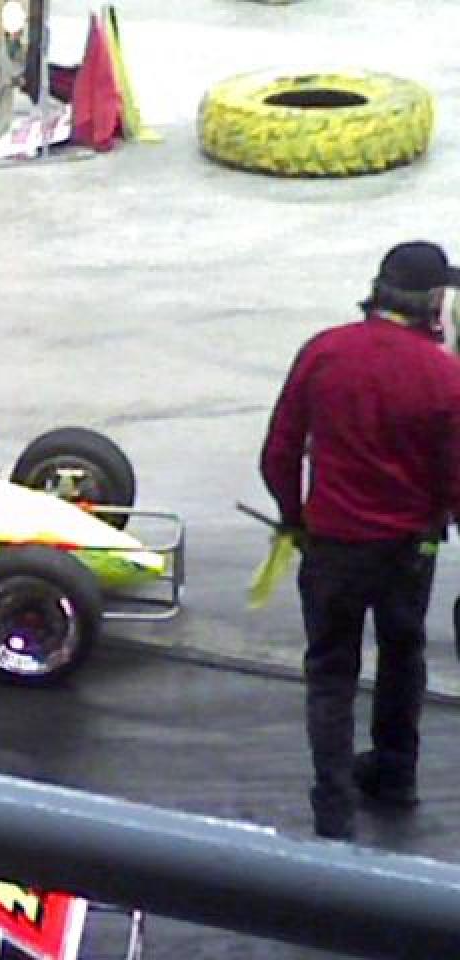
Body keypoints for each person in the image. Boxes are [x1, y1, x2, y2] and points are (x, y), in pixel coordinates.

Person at [259, 240, 460, 841]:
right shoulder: (444, 376)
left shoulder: (324, 352)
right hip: (408, 551)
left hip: (332, 545)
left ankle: (334, 804)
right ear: (432, 302)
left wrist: (293, 518)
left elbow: (278, 453)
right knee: (403, 655)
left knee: (330, 672)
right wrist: (438, 518)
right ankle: (395, 774)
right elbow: (456, 479)